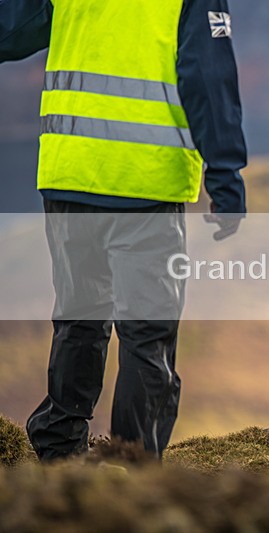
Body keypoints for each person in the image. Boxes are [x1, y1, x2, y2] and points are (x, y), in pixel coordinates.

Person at [0, 0, 247, 460]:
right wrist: (226, 174)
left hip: (69, 173)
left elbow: (10, 30)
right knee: (146, 331)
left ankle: (58, 447)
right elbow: (207, 77)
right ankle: (132, 463)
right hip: (145, 182)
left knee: (79, 318)